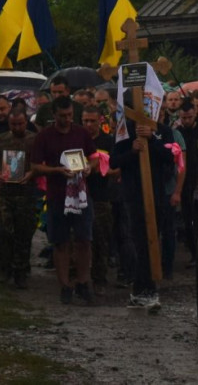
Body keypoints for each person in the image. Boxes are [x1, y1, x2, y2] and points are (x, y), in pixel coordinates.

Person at [31, 96, 98, 305]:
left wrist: (89, 167)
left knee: (84, 239)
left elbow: (94, 156)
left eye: (70, 115)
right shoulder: (45, 136)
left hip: (81, 195)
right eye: (62, 116)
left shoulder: (81, 133)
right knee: (60, 242)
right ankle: (65, 284)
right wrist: (57, 170)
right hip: (57, 196)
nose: (67, 119)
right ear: (54, 115)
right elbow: (35, 166)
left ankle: (83, 281)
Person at [112, 90, 175, 310]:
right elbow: (113, 161)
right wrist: (132, 151)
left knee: (153, 239)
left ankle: (148, 288)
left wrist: (151, 140)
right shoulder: (124, 131)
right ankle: (142, 289)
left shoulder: (164, 132)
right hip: (132, 194)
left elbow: (170, 157)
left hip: (157, 194)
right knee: (139, 241)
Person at [0, 107, 37, 289]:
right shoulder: (0, 140)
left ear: (26, 122)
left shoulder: (33, 140)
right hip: (4, 193)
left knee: (24, 232)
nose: (17, 127)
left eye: (21, 124)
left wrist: (31, 173)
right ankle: (4, 267)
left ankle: (21, 270)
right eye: (14, 124)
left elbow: (42, 163)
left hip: (26, 193)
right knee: (3, 231)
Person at [81, 105, 118, 296]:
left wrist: (101, 170)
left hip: (101, 197)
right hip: (78, 196)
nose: (88, 124)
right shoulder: (76, 140)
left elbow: (118, 168)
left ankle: (99, 279)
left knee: (101, 240)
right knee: (78, 241)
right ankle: (78, 279)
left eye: (92, 121)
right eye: (85, 121)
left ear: (100, 121)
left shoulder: (108, 141)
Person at [176, 100, 198, 266]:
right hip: (186, 182)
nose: (186, 121)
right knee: (188, 218)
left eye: (189, 117)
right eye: (183, 118)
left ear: (194, 113)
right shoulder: (178, 133)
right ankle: (194, 253)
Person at [158, 99, 186, 280]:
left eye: (160, 112)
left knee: (168, 231)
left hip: (168, 190)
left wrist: (177, 191)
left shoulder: (175, 135)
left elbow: (182, 166)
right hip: (149, 190)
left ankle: (167, 267)